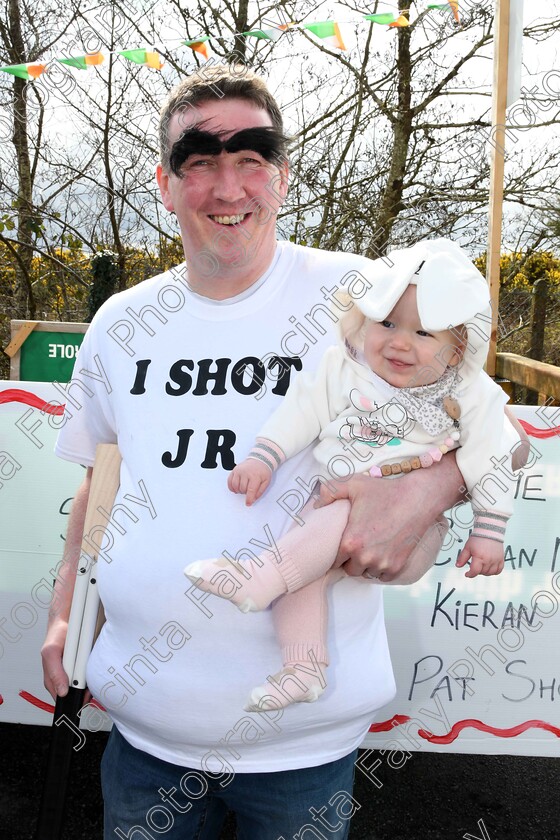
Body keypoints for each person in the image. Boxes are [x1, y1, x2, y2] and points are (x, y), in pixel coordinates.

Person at [41, 66, 526, 840]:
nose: (227, 186)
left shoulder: (366, 298)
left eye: (252, 158)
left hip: (304, 753)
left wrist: (419, 498)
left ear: (283, 177)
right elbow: (102, 485)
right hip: (143, 738)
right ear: (165, 185)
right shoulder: (121, 321)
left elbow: (497, 431)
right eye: (199, 161)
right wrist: (64, 613)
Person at [185, 237, 516, 713]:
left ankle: (258, 578)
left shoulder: (471, 392)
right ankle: (303, 671)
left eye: (425, 334)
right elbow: (302, 410)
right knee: (304, 581)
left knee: (314, 537)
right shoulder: (345, 368)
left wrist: (490, 531)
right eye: (386, 323)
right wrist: (264, 457)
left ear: (458, 345)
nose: (400, 341)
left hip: (410, 535)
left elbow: (496, 455)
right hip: (328, 515)